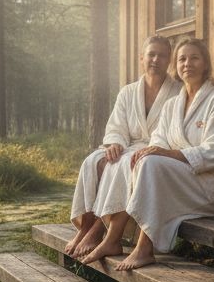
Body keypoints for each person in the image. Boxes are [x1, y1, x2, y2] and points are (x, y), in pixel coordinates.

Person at [81, 37, 214, 271]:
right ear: (176, 65)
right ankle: (112, 240)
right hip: (183, 178)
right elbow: (158, 141)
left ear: (205, 64)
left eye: (194, 58)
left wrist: (169, 154)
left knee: (150, 164)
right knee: (140, 159)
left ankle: (143, 248)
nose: (188, 63)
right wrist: (152, 152)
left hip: (212, 183)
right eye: (182, 59)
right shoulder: (172, 105)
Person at [65, 35, 180, 258]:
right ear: (142, 58)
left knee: (126, 162)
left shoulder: (177, 92)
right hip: (128, 145)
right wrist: (116, 143)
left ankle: (99, 230)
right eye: (151, 54)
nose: (156, 59)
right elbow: (117, 124)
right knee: (93, 161)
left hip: (156, 149)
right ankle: (86, 227)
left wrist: (152, 147)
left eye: (162, 55)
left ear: (169, 60)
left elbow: (173, 131)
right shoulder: (128, 92)